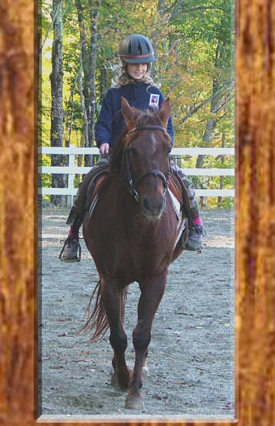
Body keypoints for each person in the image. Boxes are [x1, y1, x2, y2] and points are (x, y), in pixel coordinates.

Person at [59, 34, 205, 262]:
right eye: (134, 64)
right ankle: (73, 235)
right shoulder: (114, 95)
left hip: (153, 155)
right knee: (88, 181)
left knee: (183, 180)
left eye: (144, 64)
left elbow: (168, 127)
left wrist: (166, 146)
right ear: (125, 65)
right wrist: (103, 141)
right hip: (120, 154)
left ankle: (195, 225)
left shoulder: (155, 94)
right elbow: (103, 123)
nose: (140, 69)